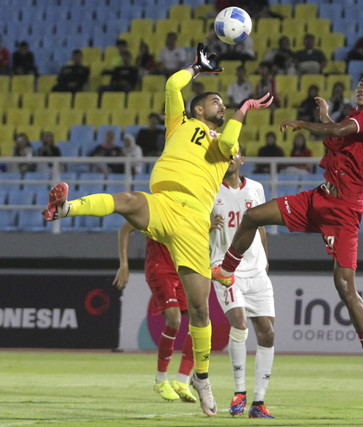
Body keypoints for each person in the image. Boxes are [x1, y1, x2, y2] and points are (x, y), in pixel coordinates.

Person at [41, 42, 273, 417]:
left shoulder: (224, 147)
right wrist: (195, 69)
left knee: (199, 310)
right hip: (163, 202)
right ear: (198, 108)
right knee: (130, 200)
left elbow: (231, 140)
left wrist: (245, 109)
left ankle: (201, 379)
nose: (221, 106)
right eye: (216, 102)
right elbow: (171, 86)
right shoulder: (179, 123)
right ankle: (63, 207)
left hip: (193, 223)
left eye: (224, 105)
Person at [211, 65, 363, 398]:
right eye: (361, 82)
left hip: (344, 212)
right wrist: (325, 116)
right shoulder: (355, 116)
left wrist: (304, 123)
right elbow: (336, 135)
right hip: (318, 198)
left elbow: (334, 131)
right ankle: (226, 270)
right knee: (253, 216)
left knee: (344, 286)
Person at [210, 148, 276, 419]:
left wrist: (266, 259)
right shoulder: (210, 190)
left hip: (256, 270)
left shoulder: (256, 189)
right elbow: (192, 224)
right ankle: (240, 392)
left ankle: (258, 403)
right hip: (225, 268)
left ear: (241, 160)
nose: (229, 160)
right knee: (239, 321)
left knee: (268, 333)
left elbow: (260, 227)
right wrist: (206, 224)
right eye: (224, 156)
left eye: (233, 155)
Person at [114, 222, 197, 404]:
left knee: (198, 323)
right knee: (174, 320)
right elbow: (125, 229)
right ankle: (161, 380)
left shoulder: (186, 209)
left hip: (181, 268)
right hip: (159, 269)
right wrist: (124, 265)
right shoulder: (152, 207)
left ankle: (182, 381)